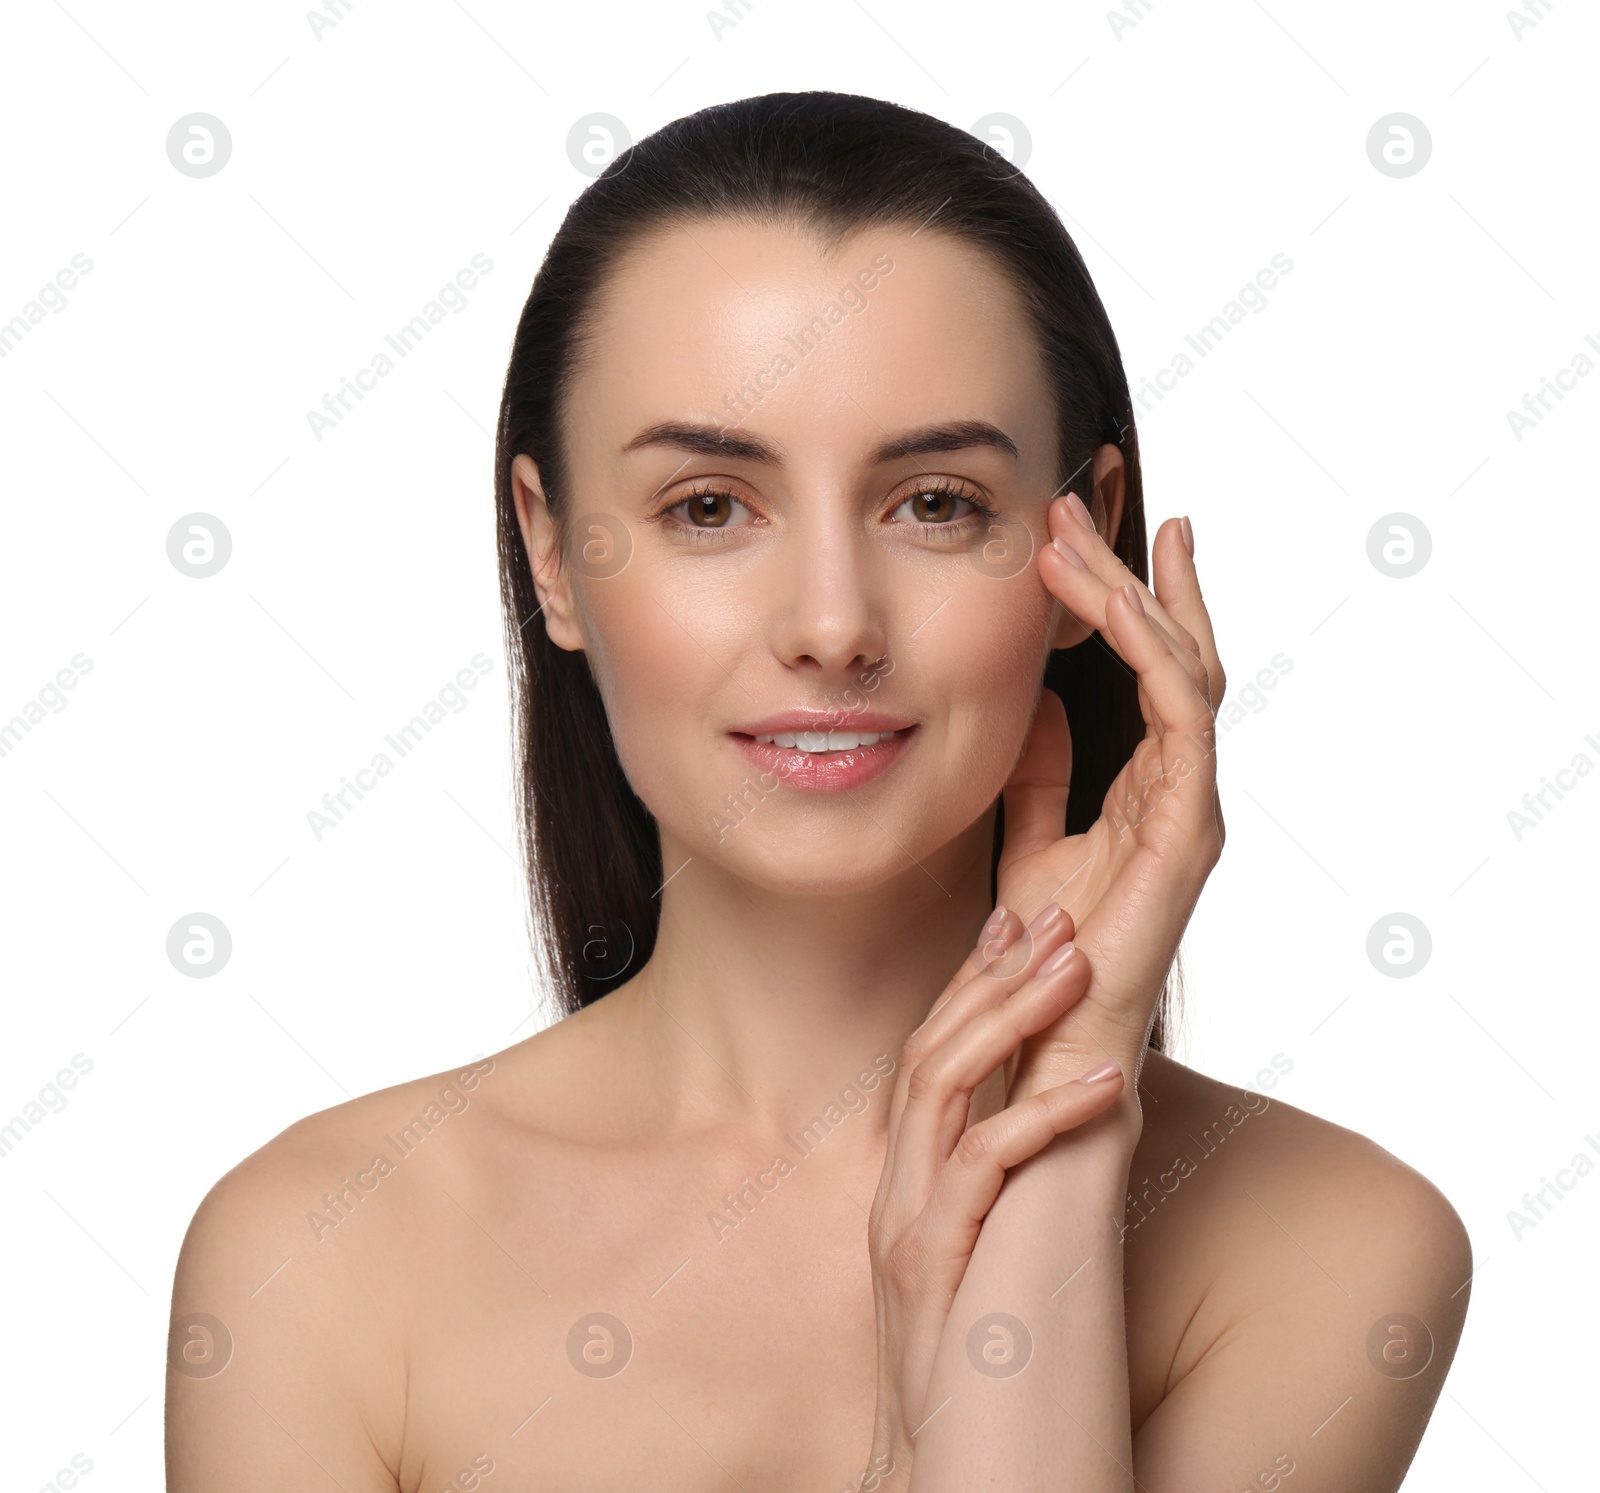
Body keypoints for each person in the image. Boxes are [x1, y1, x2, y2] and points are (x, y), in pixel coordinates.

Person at [166, 92, 1471, 1491]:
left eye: (935, 502)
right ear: (551, 553)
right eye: (710, 507)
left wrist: (1047, 1162)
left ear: (1081, 546)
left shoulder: (1336, 1245)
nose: (833, 625)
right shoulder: (313, 1257)